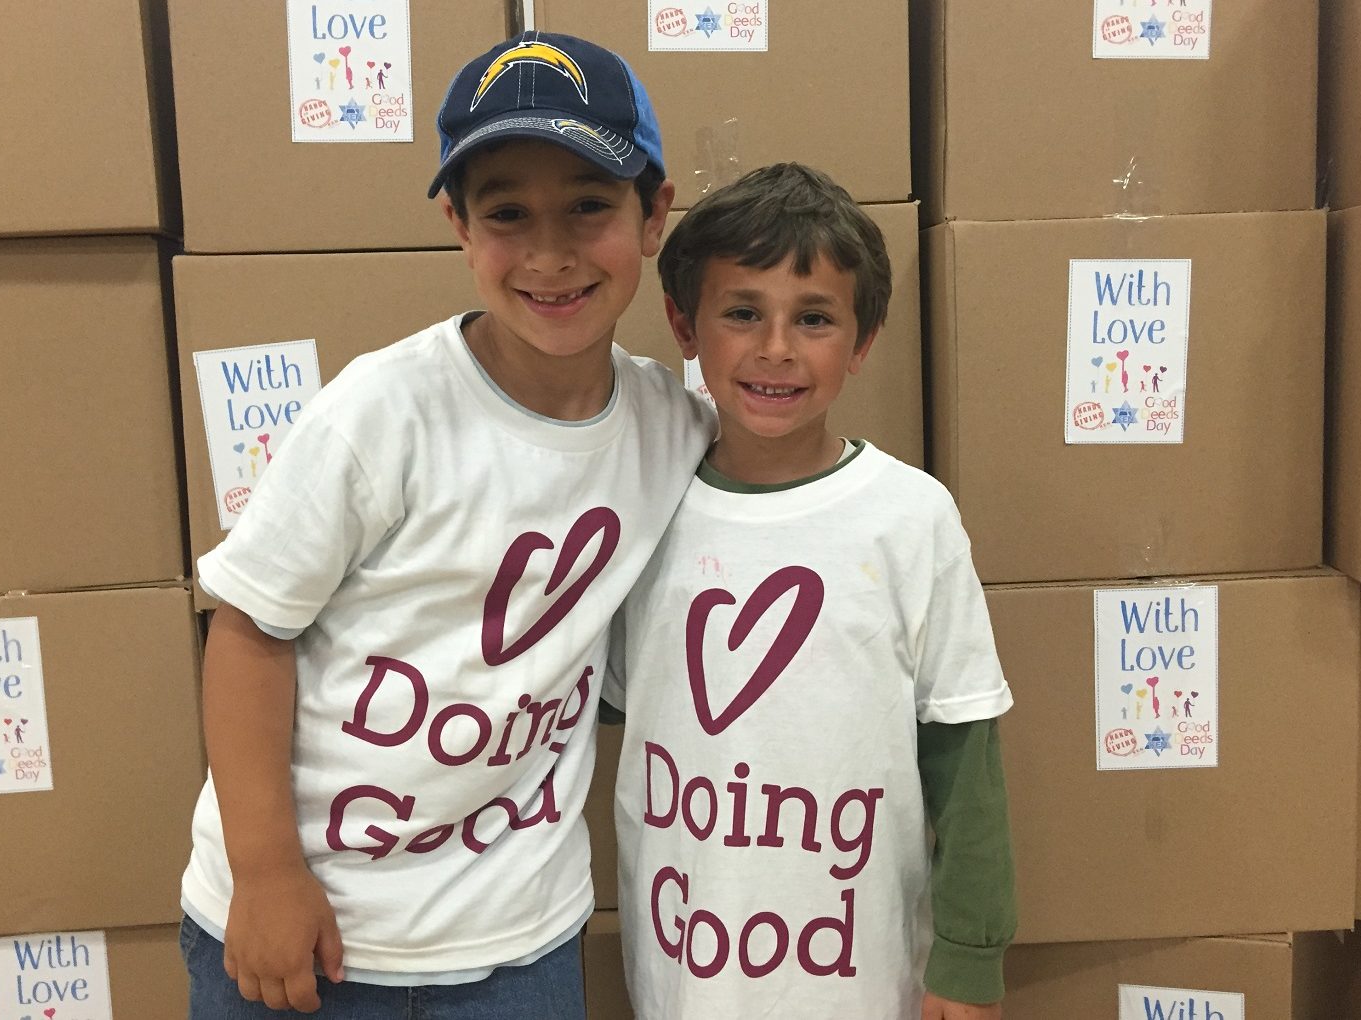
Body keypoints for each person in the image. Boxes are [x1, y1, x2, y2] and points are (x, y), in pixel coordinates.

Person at [178, 31, 716, 1018]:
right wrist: (262, 874)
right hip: (313, 929)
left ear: (654, 214)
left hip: (519, 942)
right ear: (458, 226)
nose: (549, 254)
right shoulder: (378, 416)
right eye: (508, 214)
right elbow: (250, 629)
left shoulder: (671, 430)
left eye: (588, 206)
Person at [606, 163, 1016, 1020]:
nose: (777, 349)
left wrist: (971, 958)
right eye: (743, 312)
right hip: (683, 974)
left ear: (863, 342)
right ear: (685, 325)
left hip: (857, 977)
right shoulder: (642, 503)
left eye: (816, 318)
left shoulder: (910, 518)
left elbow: (966, 755)